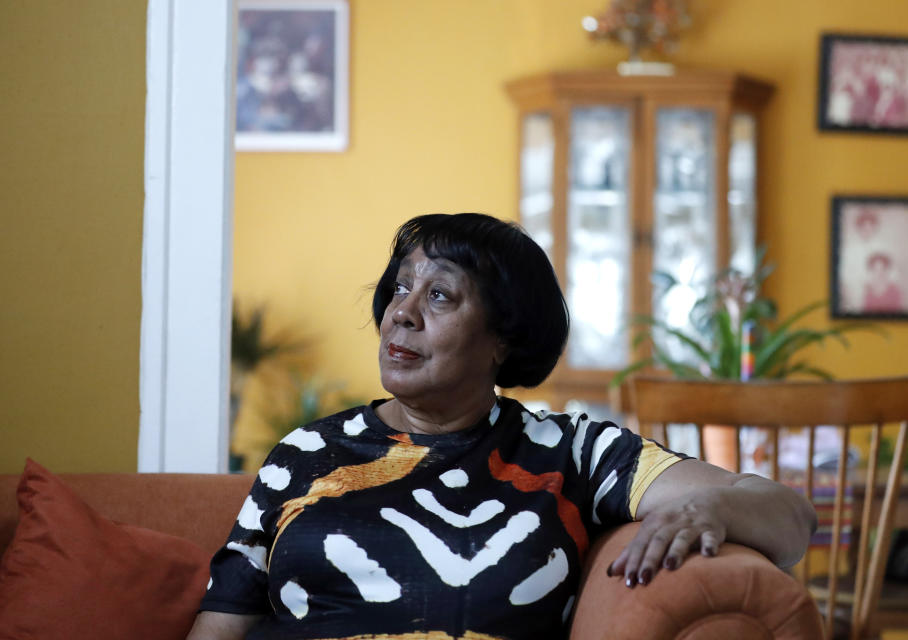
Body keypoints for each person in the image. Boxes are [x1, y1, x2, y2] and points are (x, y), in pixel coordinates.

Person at [187, 213, 817, 640]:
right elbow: (221, 624)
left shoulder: (572, 451)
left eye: (440, 296)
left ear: (501, 339)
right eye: (401, 287)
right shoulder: (306, 453)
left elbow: (788, 516)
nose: (401, 312)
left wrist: (713, 509)